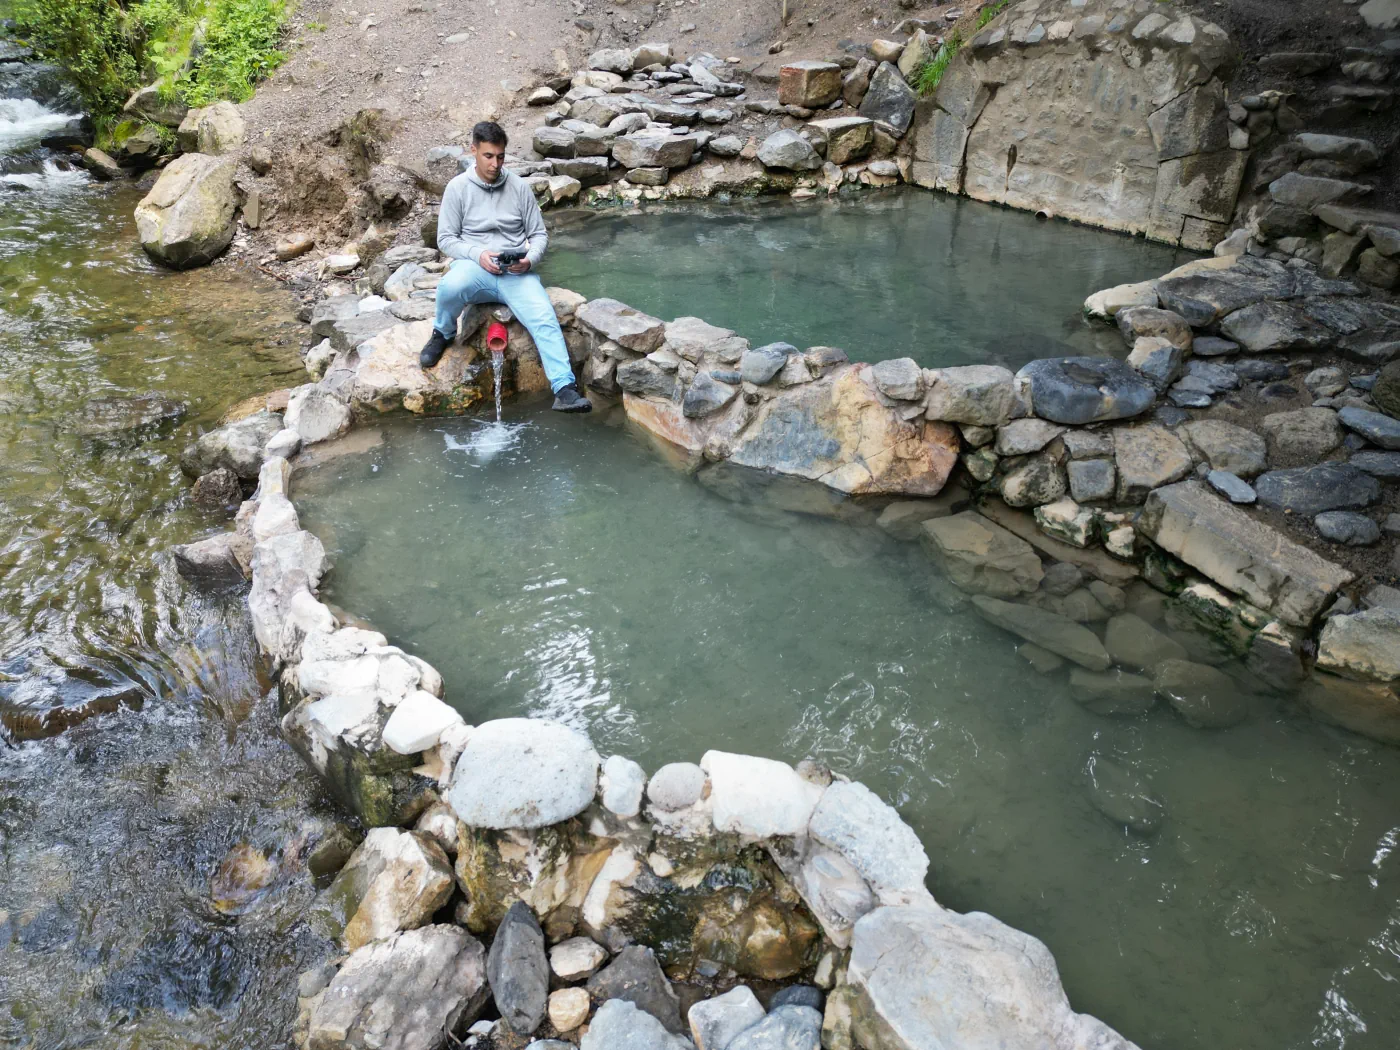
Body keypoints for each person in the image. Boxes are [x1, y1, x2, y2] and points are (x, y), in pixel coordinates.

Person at [420, 120, 591, 413]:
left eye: (500, 156)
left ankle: (564, 389)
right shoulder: (457, 188)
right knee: (450, 286)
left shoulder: (519, 187)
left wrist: (529, 260)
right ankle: (443, 333)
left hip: (515, 272)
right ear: (473, 151)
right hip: (475, 268)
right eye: (488, 156)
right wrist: (477, 254)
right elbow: (446, 239)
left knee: (544, 317)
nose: (495, 163)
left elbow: (538, 235)